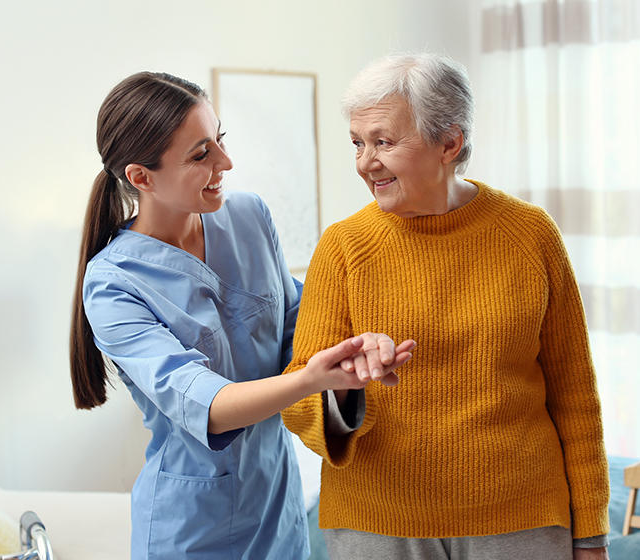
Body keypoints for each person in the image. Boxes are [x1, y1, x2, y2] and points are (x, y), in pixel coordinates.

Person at [68, 71, 414, 560]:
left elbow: (300, 326)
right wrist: (310, 379)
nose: (225, 162)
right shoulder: (113, 284)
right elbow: (206, 405)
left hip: (277, 507)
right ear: (141, 178)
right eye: (200, 155)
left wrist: (352, 355)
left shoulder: (249, 216)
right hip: (191, 530)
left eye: (219, 139)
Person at [281, 52, 610, 560]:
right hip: (378, 524)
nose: (365, 162)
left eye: (384, 142)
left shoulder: (531, 234)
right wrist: (347, 384)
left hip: (520, 519)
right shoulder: (343, 246)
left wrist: (591, 535)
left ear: (449, 143)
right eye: (357, 143)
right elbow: (300, 401)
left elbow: (575, 395)